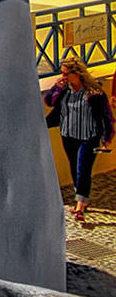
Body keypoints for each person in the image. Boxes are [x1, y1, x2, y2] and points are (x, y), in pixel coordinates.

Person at [44, 57, 114, 221]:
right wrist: (56, 88)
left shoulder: (94, 93)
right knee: (75, 167)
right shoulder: (65, 91)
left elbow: (105, 115)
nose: (63, 77)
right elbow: (49, 101)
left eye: (66, 73)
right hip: (68, 135)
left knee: (83, 168)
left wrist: (107, 135)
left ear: (77, 74)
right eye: (62, 73)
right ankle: (80, 194)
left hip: (88, 136)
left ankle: (80, 205)